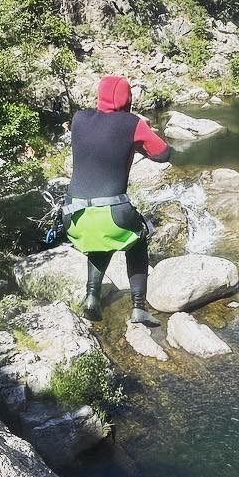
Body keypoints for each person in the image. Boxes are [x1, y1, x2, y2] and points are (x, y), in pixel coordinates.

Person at [66, 75, 169, 326]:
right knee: (136, 240)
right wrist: (140, 143)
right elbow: (163, 153)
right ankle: (138, 308)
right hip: (113, 213)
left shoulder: (78, 118)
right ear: (128, 99)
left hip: (73, 214)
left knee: (102, 238)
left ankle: (92, 296)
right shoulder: (132, 123)